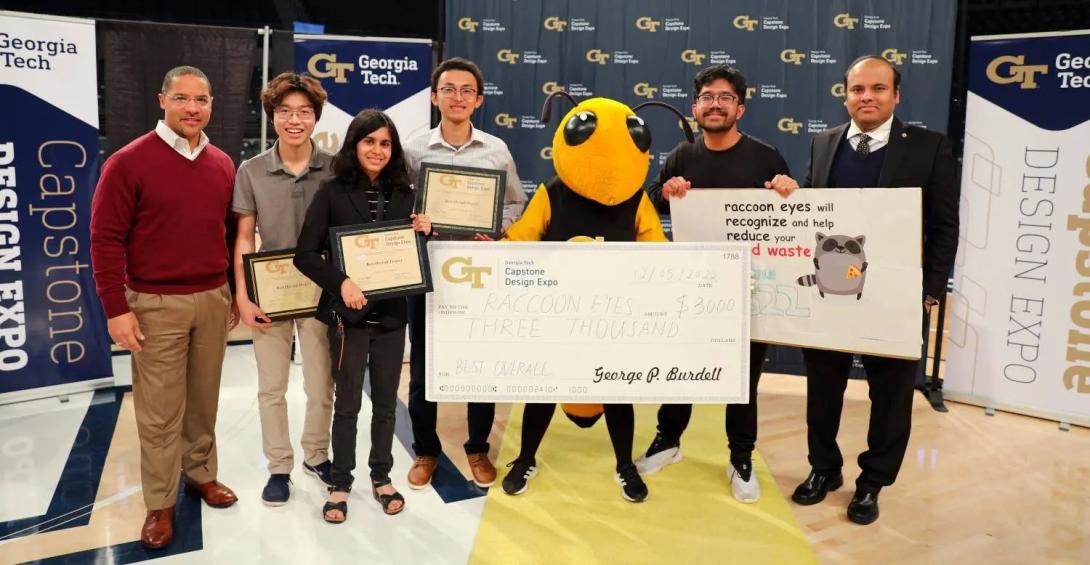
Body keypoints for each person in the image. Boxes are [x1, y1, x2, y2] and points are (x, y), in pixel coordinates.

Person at [790, 55, 959, 525]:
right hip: (830, 294)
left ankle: (872, 483)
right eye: (858, 89)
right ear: (845, 94)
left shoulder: (928, 147)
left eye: (878, 89)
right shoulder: (823, 143)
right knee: (823, 389)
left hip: (896, 299)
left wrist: (929, 292)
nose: (867, 97)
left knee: (890, 397)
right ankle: (823, 470)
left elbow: (945, 226)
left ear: (896, 95)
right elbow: (811, 213)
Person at [90, 66, 239, 549]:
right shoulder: (128, 163)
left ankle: (200, 473)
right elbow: (105, 238)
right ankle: (159, 502)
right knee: (158, 412)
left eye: (201, 100)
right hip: (154, 303)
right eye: (182, 98)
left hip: (213, 298)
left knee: (203, 399)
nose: (192, 108)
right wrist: (116, 307)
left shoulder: (221, 163)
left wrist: (233, 292)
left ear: (212, 104)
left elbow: (225, 234)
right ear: (162, 100)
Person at [638, 65, 798, 503]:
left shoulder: (766, 156)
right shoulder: (683, 155)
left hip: (749, 289)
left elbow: (791, 217)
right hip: (691, 287)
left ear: (739, 109)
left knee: (743, 381)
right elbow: (650, 201)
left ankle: (741, 457)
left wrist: (788, 188)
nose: (714, 103)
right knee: (681, 371)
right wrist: (665, 189)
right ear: (695, 106)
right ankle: (667, 442)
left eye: (725, 97)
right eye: (707, 96)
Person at [294, 109, 432, 523]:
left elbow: (410, 257)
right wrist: (342, 283)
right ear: (354, 145)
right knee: (349, 403)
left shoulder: (407, 194)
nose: (377, 150)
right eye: (369, 141)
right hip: (347, 317)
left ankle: (381, 476)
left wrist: (425, 231)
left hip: (391, 315)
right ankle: (339, 482)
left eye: (385, 143)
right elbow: (305, 254)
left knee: (388, 403)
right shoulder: (332, 192)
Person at [401, 57, 527, 489]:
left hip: (479, 274)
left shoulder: (496, 150)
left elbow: (515, 204)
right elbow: (400, 208)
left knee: (482, 362)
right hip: (429, 273)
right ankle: (425, 450)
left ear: (479, 100)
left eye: (466, 90)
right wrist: (412, 219)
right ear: (434, 97)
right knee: (422, 363)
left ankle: (478, 447)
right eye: (449, 89)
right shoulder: (414, 149)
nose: (458, 97)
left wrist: (498, 232)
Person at [232, 72, 335, 505]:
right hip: (269, 293)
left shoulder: (334, 168)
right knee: (271, 387)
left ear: (316, 117)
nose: (294, 120)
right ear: (273, 116)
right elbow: (243, 236)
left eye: (304, 112)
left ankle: (316, 454)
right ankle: (278, 466)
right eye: (285, 111)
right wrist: (242, 294)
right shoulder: (251, 171)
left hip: (319, 292)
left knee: (320, 383)